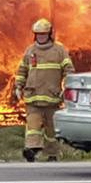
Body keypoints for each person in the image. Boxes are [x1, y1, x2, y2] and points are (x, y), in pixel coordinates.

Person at [14, 18, 75, 162]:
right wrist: (18, 87)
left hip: (51, 97)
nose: (41, 36)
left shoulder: (59, 50)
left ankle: (51, 154)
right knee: (33, 127)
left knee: (51, 130)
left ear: (50, 34)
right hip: (33, 97)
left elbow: (69, 70)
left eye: (44, 34)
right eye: (38, 34)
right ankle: (32, 150)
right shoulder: (30, 50)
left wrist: (66, 86)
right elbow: (22, 70)